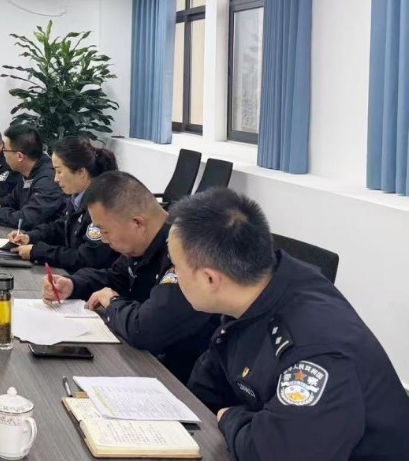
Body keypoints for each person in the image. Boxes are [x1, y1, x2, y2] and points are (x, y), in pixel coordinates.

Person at [168, 189, 409, 460]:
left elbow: (278, 453)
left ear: (210, 279)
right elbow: (209, 385)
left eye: (176, 267)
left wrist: (231, 417)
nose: (173, 275)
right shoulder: (261, 289)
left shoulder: (315, 348)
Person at [41, 171, 217, 384]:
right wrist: (73, 284)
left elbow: (146, 328)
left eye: (105, 231)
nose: (103, 240)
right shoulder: (140, 245)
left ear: (137, 223)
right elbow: (115, 278)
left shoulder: (186, 253)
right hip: (142, 362)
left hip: (177, 379)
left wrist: (112, 302)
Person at [7, 138, 118, 271]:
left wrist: (37, 251)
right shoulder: (75, 198)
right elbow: (59, 227)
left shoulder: (101, 206)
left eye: (59, 172)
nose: (55, 179)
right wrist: (30, 236)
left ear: (81, 172)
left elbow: (85, 258)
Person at [0, 125, 64, 230]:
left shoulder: (47, 179)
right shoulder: (27, 171)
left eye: (5, 151)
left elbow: (27, 219)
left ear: (19, 156)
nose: (3, 155)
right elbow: (13, 199)